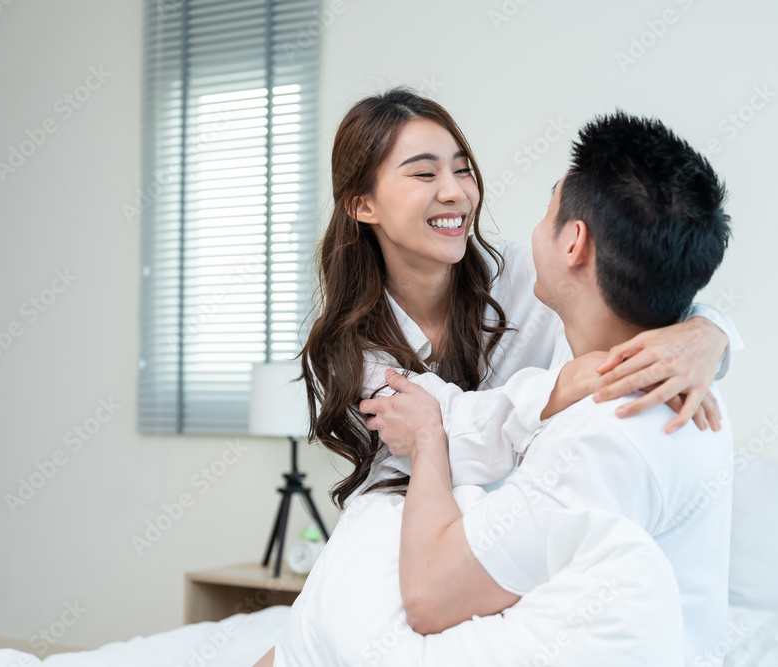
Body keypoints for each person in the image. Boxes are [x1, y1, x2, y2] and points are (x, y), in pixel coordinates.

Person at [251, 89, 739, 667]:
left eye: (461, 169)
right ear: (363, 205)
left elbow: (647, 280)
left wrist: (710, 335)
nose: (455, 191)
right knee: (312, 627)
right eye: (423, 173)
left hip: (499, 542)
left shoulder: (529, 275)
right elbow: (452, 427)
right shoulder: (353, 352)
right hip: (430, 517)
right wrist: (561, 387)